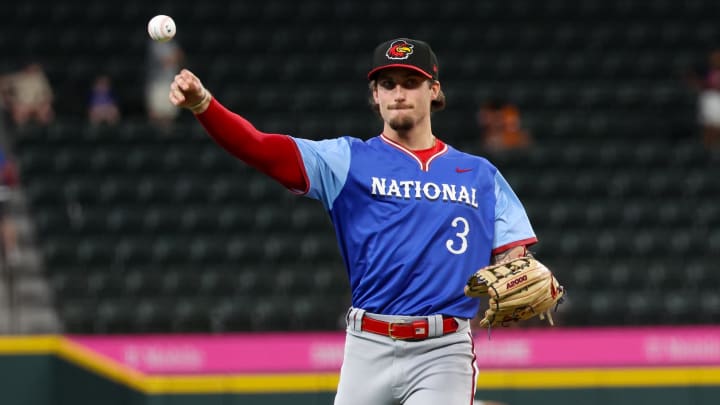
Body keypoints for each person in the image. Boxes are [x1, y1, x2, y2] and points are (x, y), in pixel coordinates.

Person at [169, 38, 538, 405]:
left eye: (410, 83)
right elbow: (261, 148)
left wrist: (514, 266)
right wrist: (204, 104)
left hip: (443, 351)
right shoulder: (346, 160)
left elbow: (513, 254)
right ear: (375, 94)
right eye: (387, 84)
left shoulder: (479, 175)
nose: (398, 93)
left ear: (434, 90)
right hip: (367, 345)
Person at [0, 63, 54, 129]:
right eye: (48, 111)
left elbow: (10, 103)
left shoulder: (24, 111)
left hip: (7, 85)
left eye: (43, 116)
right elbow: (36, 71)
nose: (46, 109)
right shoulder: (46, 96)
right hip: (14, 72)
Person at [146, 39, 184, 130]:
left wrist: (174, 57)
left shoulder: (172, 42)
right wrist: (174, 57)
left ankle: (167, 138)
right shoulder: (155, 44)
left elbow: (180, 56)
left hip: (170, 82)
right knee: (156, 113)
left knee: (169, 115)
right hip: (157, 82)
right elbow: (166, 61)